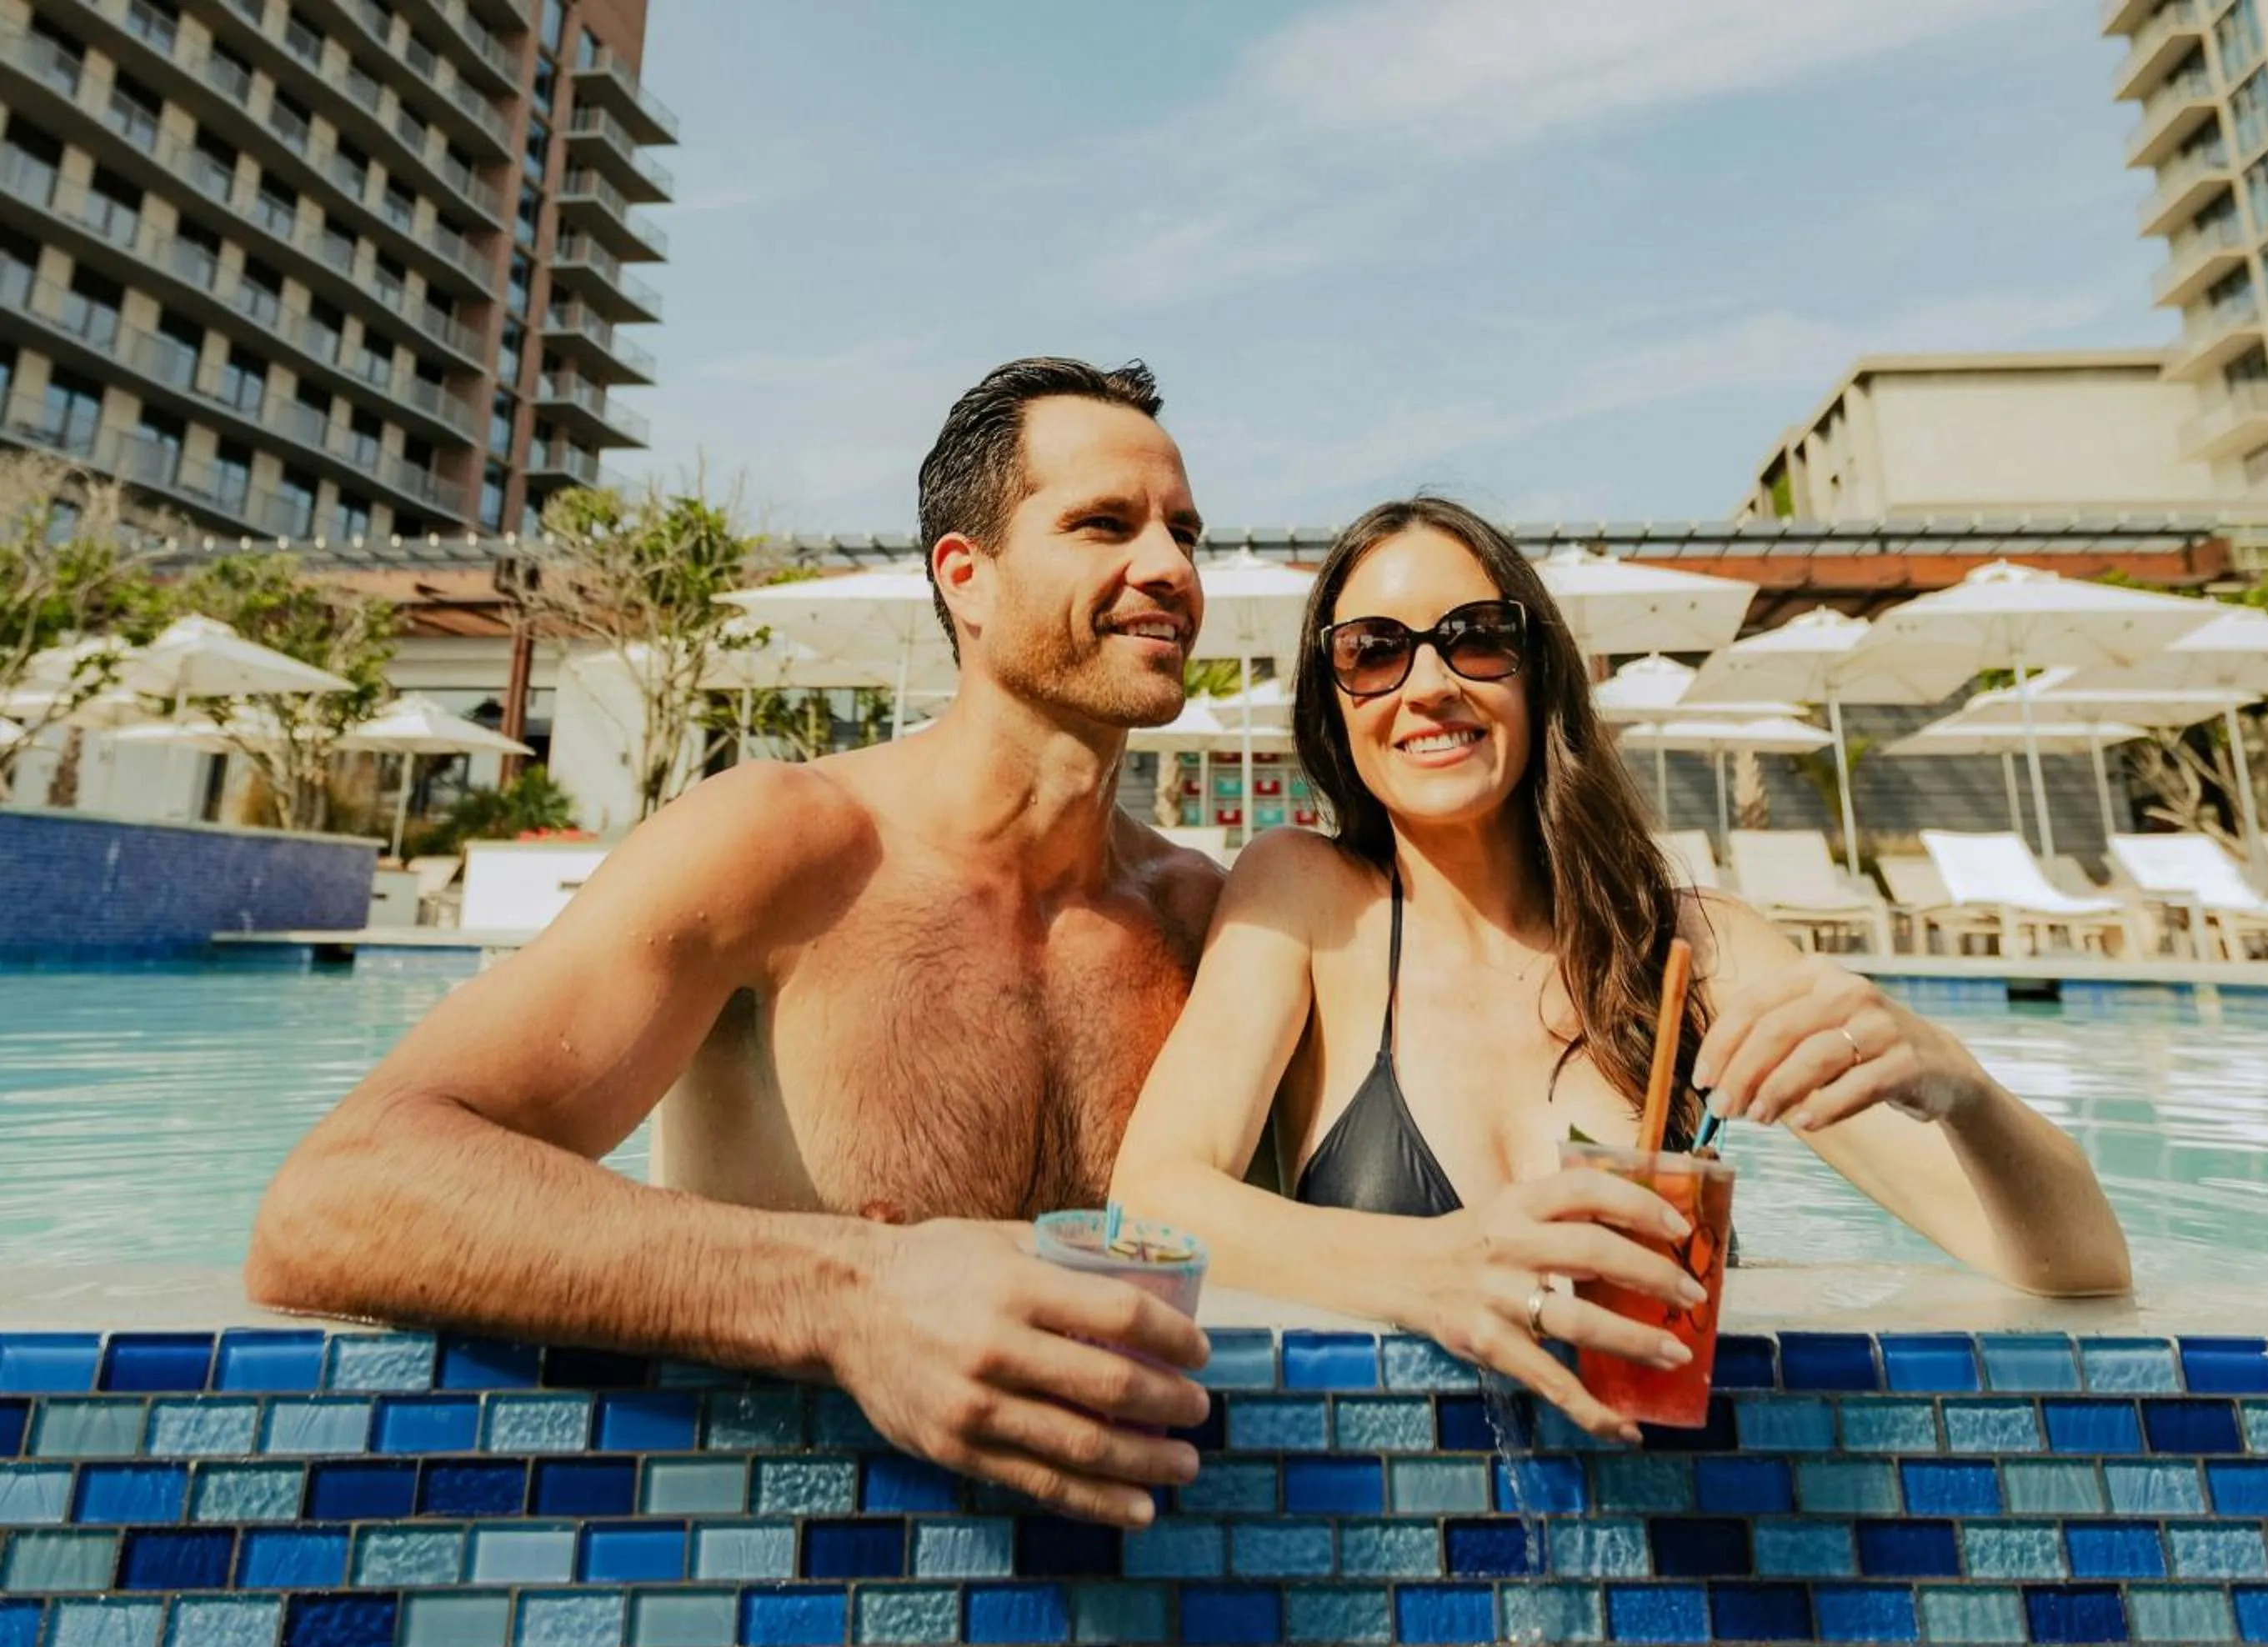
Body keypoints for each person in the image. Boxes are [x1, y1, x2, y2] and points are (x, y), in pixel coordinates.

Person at [250, 358, 1229, 1526]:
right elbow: (341, 1194)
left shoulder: (1200, 919)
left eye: (1184, 532)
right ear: (966, 579)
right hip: (773, 1557)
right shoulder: (787, 848)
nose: (1168, 568)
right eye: (1105, 524)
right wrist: (855, 1296)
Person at [1110, 497, 2133, 1443]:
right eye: (1373, 652)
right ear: (1335, 708)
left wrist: (1960, 1086)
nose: (1429, 683)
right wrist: (1437, 1267)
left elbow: (2079, 1271)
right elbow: (1151, 1203)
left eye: (1475, 636)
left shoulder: (1695, 951)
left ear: (1537, 668)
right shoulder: (1309, 895)